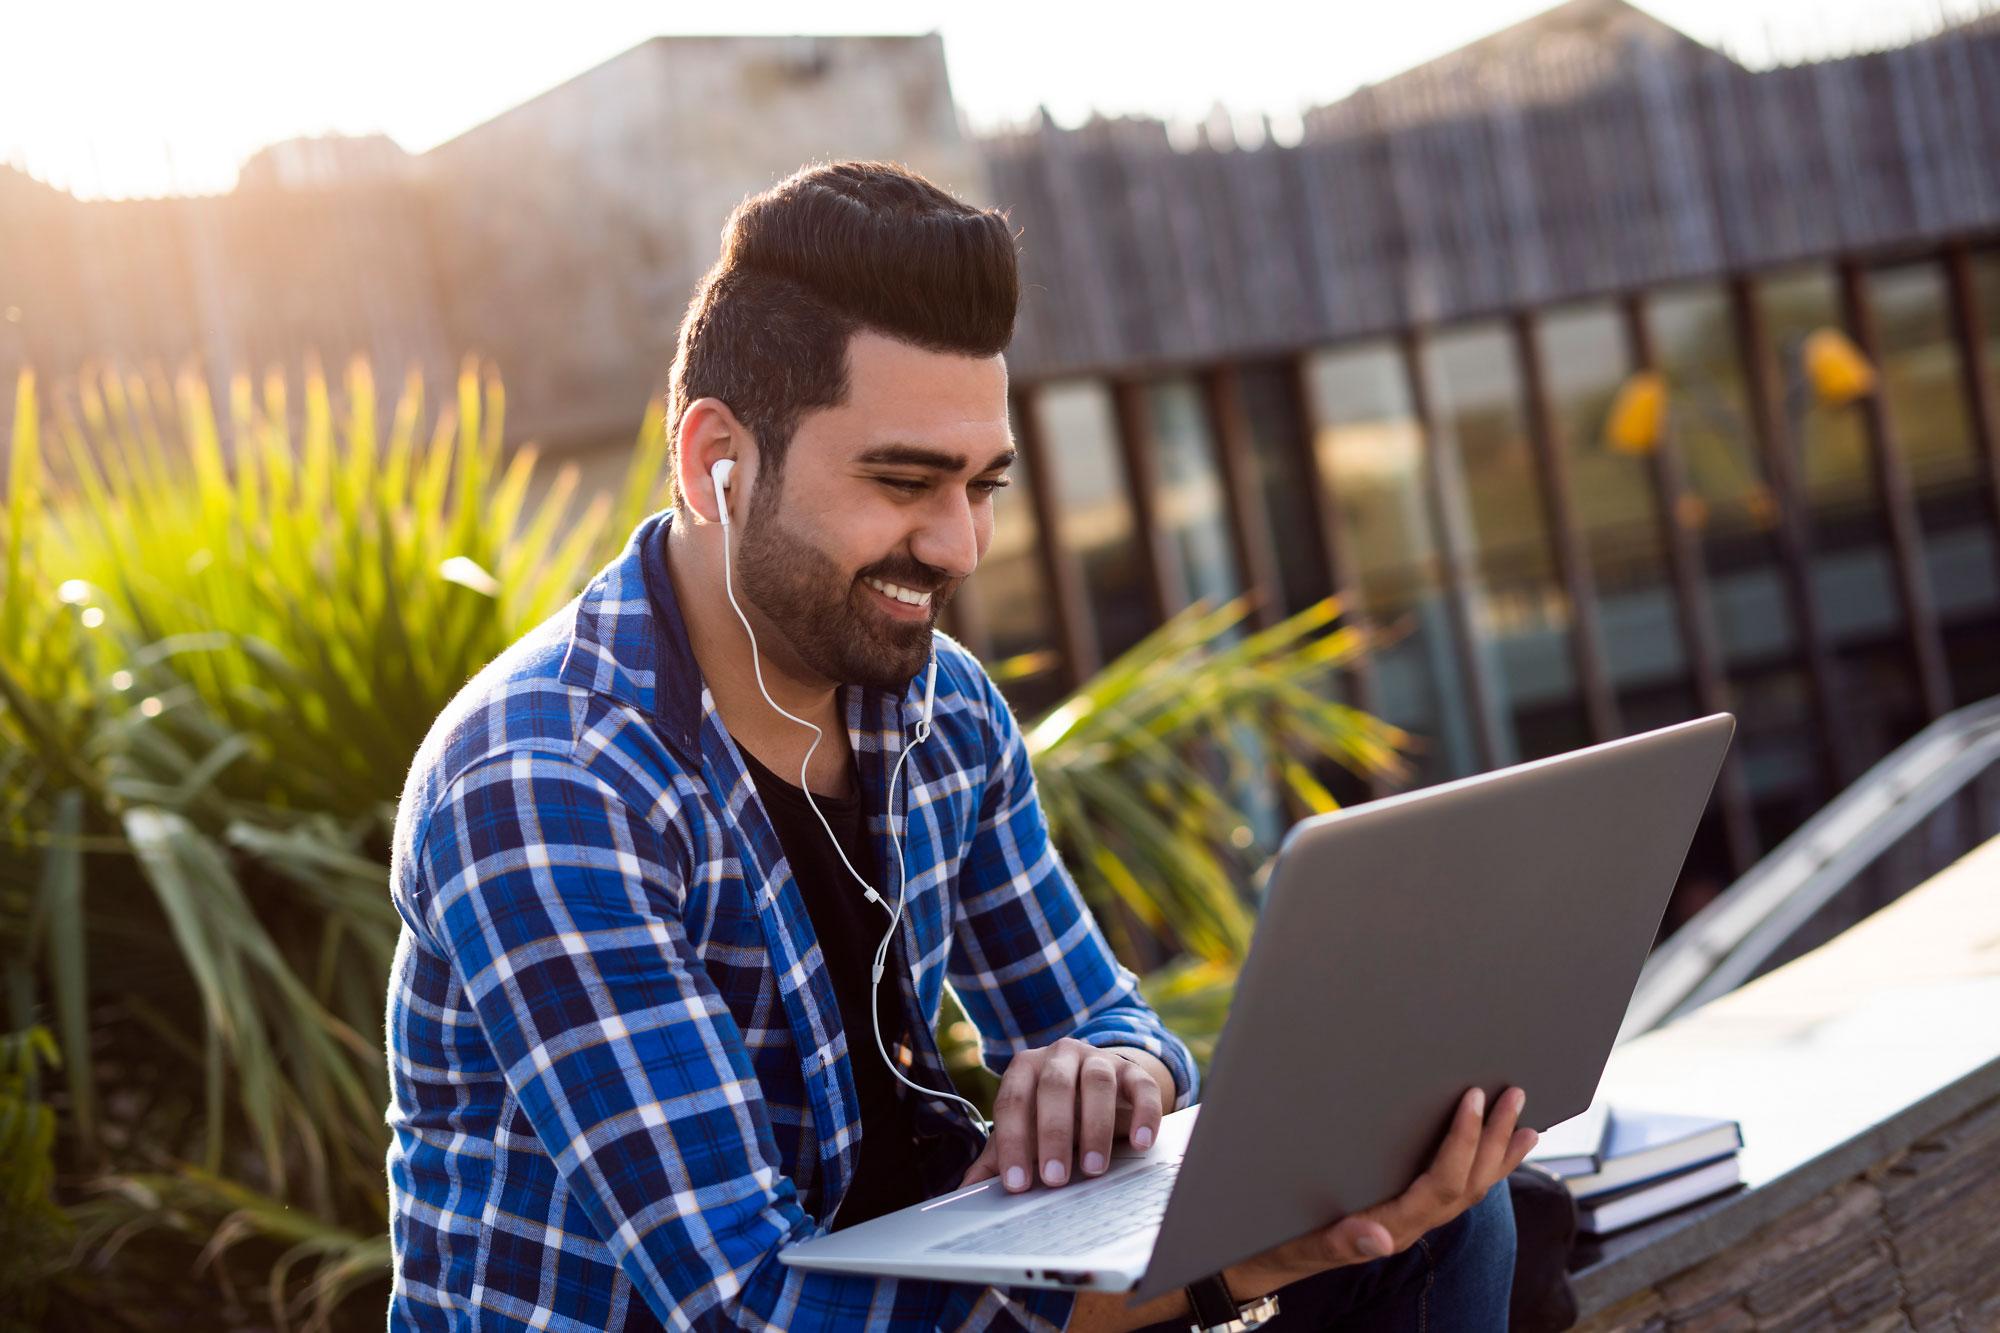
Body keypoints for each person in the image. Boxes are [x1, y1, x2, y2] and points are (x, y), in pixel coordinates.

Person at [384, 158, 1538, 1331]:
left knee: (1433, 1217)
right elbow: (752, 1309)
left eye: (982, 484)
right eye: (903, 481)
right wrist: (1226, 1269)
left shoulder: (938, 708)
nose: (958, 545)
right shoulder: (546, 780)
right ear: (711, 463)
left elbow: (1104, 1019)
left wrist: (1115, 1075)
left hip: (929, 1275)